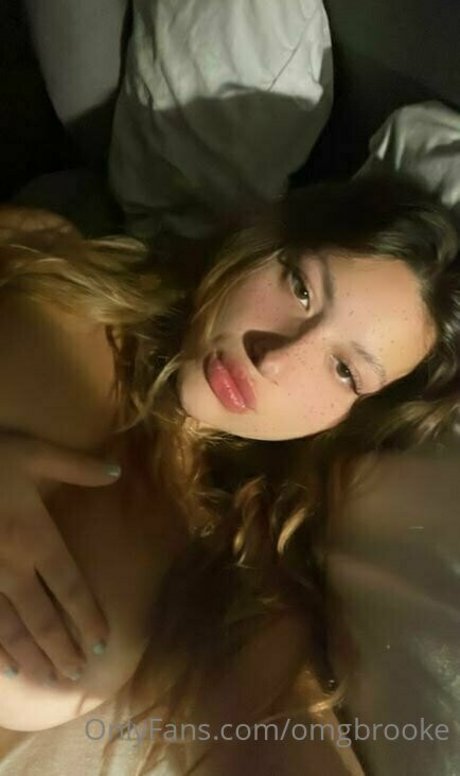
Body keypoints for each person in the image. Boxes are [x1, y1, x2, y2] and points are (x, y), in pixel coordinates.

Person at [0, 171, 459, 774]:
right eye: (300, 288)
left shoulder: (227, 570)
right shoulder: (53, 260)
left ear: (351, 420)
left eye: (345, 370)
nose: (275, 357)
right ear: (264, 242)